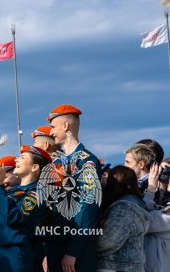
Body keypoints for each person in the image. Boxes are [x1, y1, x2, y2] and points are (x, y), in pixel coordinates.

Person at [43, 104, 102, 272]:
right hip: (55, 245)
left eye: (53, 127)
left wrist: (73, 251)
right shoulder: (56, 162)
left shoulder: (87, 161)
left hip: (75, 250)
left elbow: (87, 207)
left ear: (66, 126)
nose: (51, 132)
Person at [0, 145, 51, 272]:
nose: (16, 160)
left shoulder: (37, 193)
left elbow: (13, 217)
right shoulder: (9, 192)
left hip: (14, 252)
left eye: (22, 157)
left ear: (34, 167)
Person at [96, 166, 149, 272]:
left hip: (117, 267)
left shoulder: (124, 208)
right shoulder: (135, 202)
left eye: (108, 179)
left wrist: (85, 242)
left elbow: (108, 240)